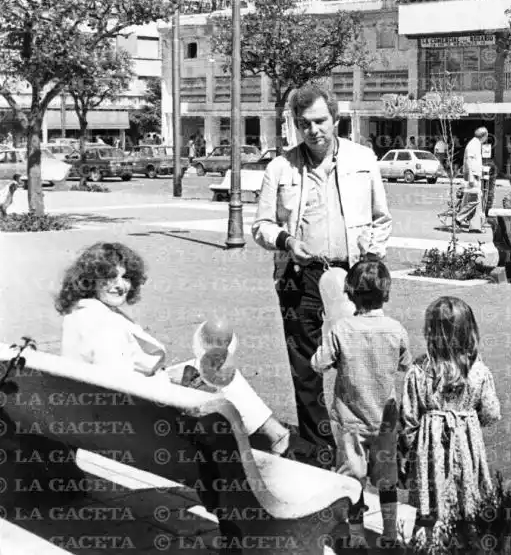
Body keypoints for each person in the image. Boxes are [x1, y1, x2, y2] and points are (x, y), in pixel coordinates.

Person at [57, 242, 325, 465]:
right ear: (92, 279)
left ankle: (278, 438)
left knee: (211, 366)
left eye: (125, 277)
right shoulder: (104, 324)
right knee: (220, 375)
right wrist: (172, 381)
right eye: (110, 277)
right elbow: (121, 388)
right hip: (133, 422)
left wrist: (176, 375)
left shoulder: (80, 312)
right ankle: (280, 439)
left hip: (96, 414)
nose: (120, 285)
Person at [252, 82, 392, 453]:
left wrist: (371, 259)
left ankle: (366, 442)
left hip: (352, 276)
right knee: (306, 368)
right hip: (300, 278)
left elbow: (382, 218)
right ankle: (319, 448)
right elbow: (261, 224)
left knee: (360, 365)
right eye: (304, 124)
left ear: (336, 119)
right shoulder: (281, 167)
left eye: (320, 121)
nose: (313, 131)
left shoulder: (363, 160)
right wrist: (285, 242)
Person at [311, 260, 411, 547]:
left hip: (350, 418)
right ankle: (390, 533)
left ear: (350, 294)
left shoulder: (341, 329)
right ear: (386, 294)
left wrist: (326, 330)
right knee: (387, 477)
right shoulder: (396, 328)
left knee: (353, 478)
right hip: (385, 419)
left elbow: (319, 363)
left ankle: (356, 537)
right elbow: (404, 364)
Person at [399, 296, 501, 546]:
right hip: (466, 449)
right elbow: (491, 414)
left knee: (428, 506)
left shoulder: (420, 370)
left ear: (430, 333)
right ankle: (467, 544)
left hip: (429, 454)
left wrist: (410, 452)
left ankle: (425, 545)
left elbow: (409, 418)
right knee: (467, 500)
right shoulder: (478, 371)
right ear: (470, 331)